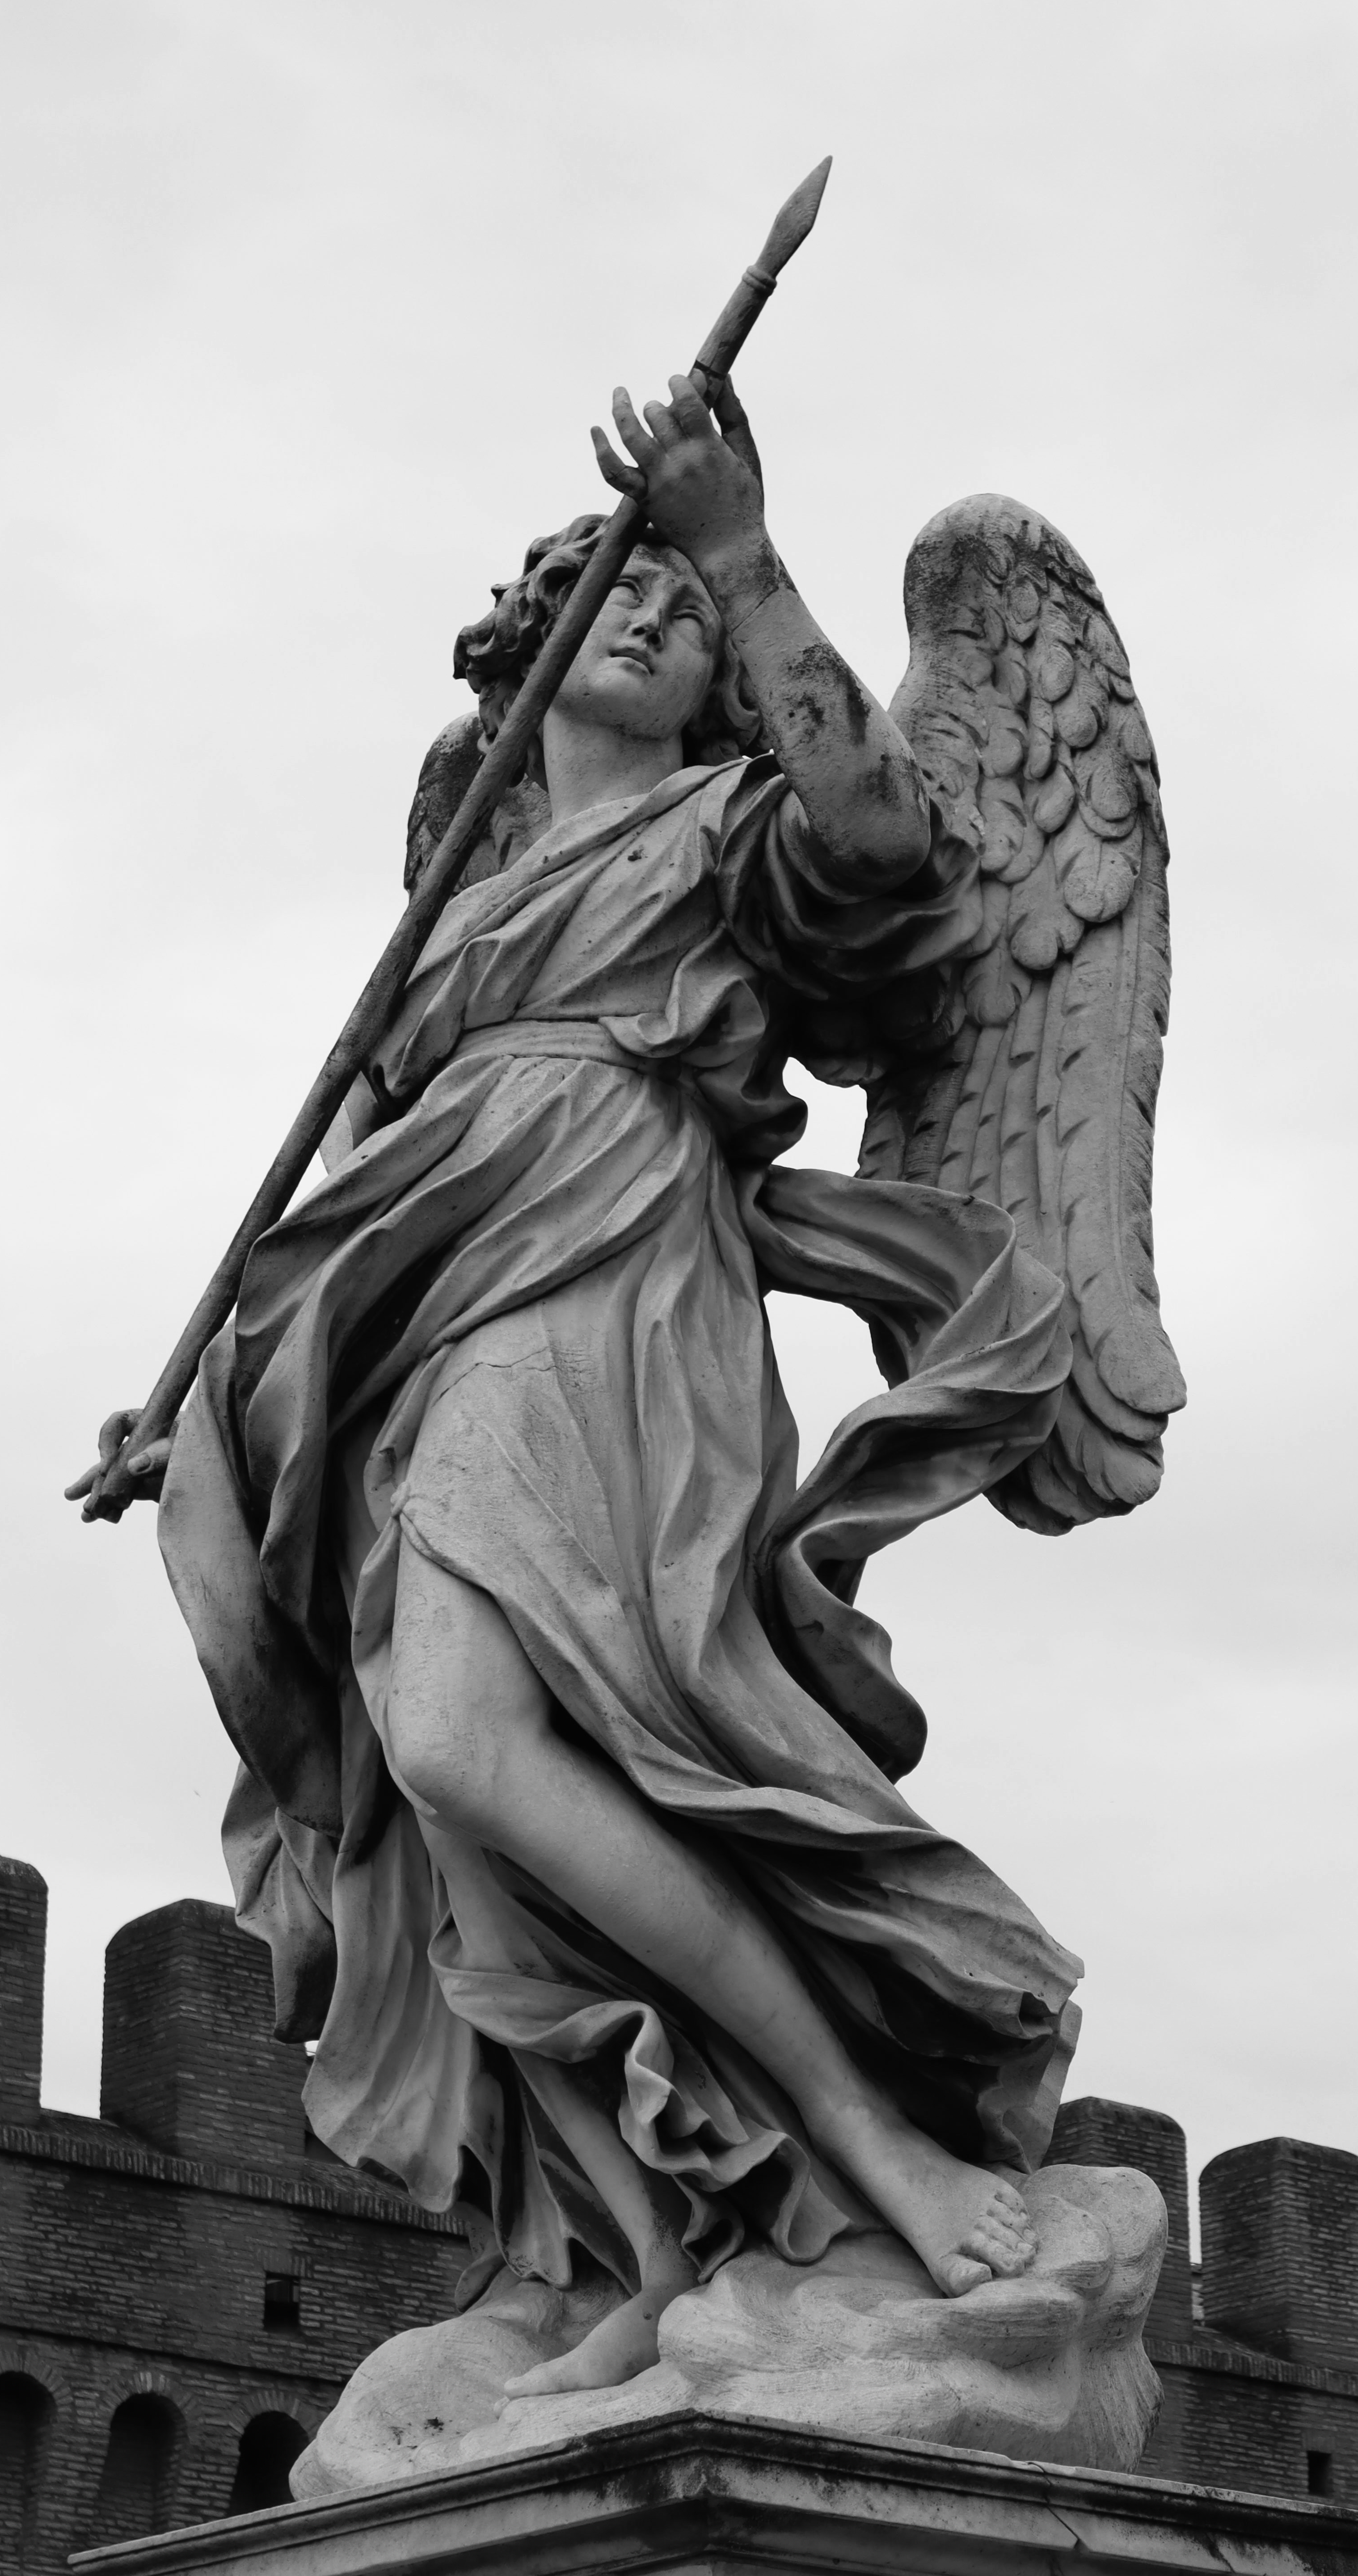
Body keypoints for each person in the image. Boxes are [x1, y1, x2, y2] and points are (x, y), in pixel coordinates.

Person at [70, 373, 1081, 2398]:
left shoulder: (735, 828)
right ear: (528, 656)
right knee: (463, 1800)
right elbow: (352, 1154)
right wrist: (208, 1405)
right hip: (396, 1307)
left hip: (612, 1274)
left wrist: (739, 544)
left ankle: (863, 2142)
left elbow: (883, 837)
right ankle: (631, 2226)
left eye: (679, 613)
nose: (650, 620)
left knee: (465, 1731)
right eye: (610, 591)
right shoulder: (451, 901)